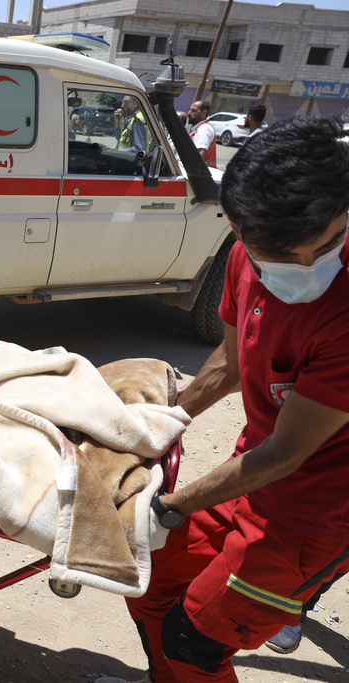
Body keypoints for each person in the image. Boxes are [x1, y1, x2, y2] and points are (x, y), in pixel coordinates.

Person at [97, 116, 349, 683]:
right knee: (148, 580)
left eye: (329, 244)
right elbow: (231, 366)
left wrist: (172, 504)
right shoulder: (242, 258)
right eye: (286, 255)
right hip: (254, 480)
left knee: (194, 641)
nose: (310, 268)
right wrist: (157, 425)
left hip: (319, 515)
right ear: (238, 226)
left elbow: (288, 453)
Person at [188, 100, 216, 168]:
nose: (189, 113)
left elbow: (198, 157)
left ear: (204, 113)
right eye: (189, 110)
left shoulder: (204, 129)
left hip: (201, 175)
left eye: (193, 110)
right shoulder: (198, 128)